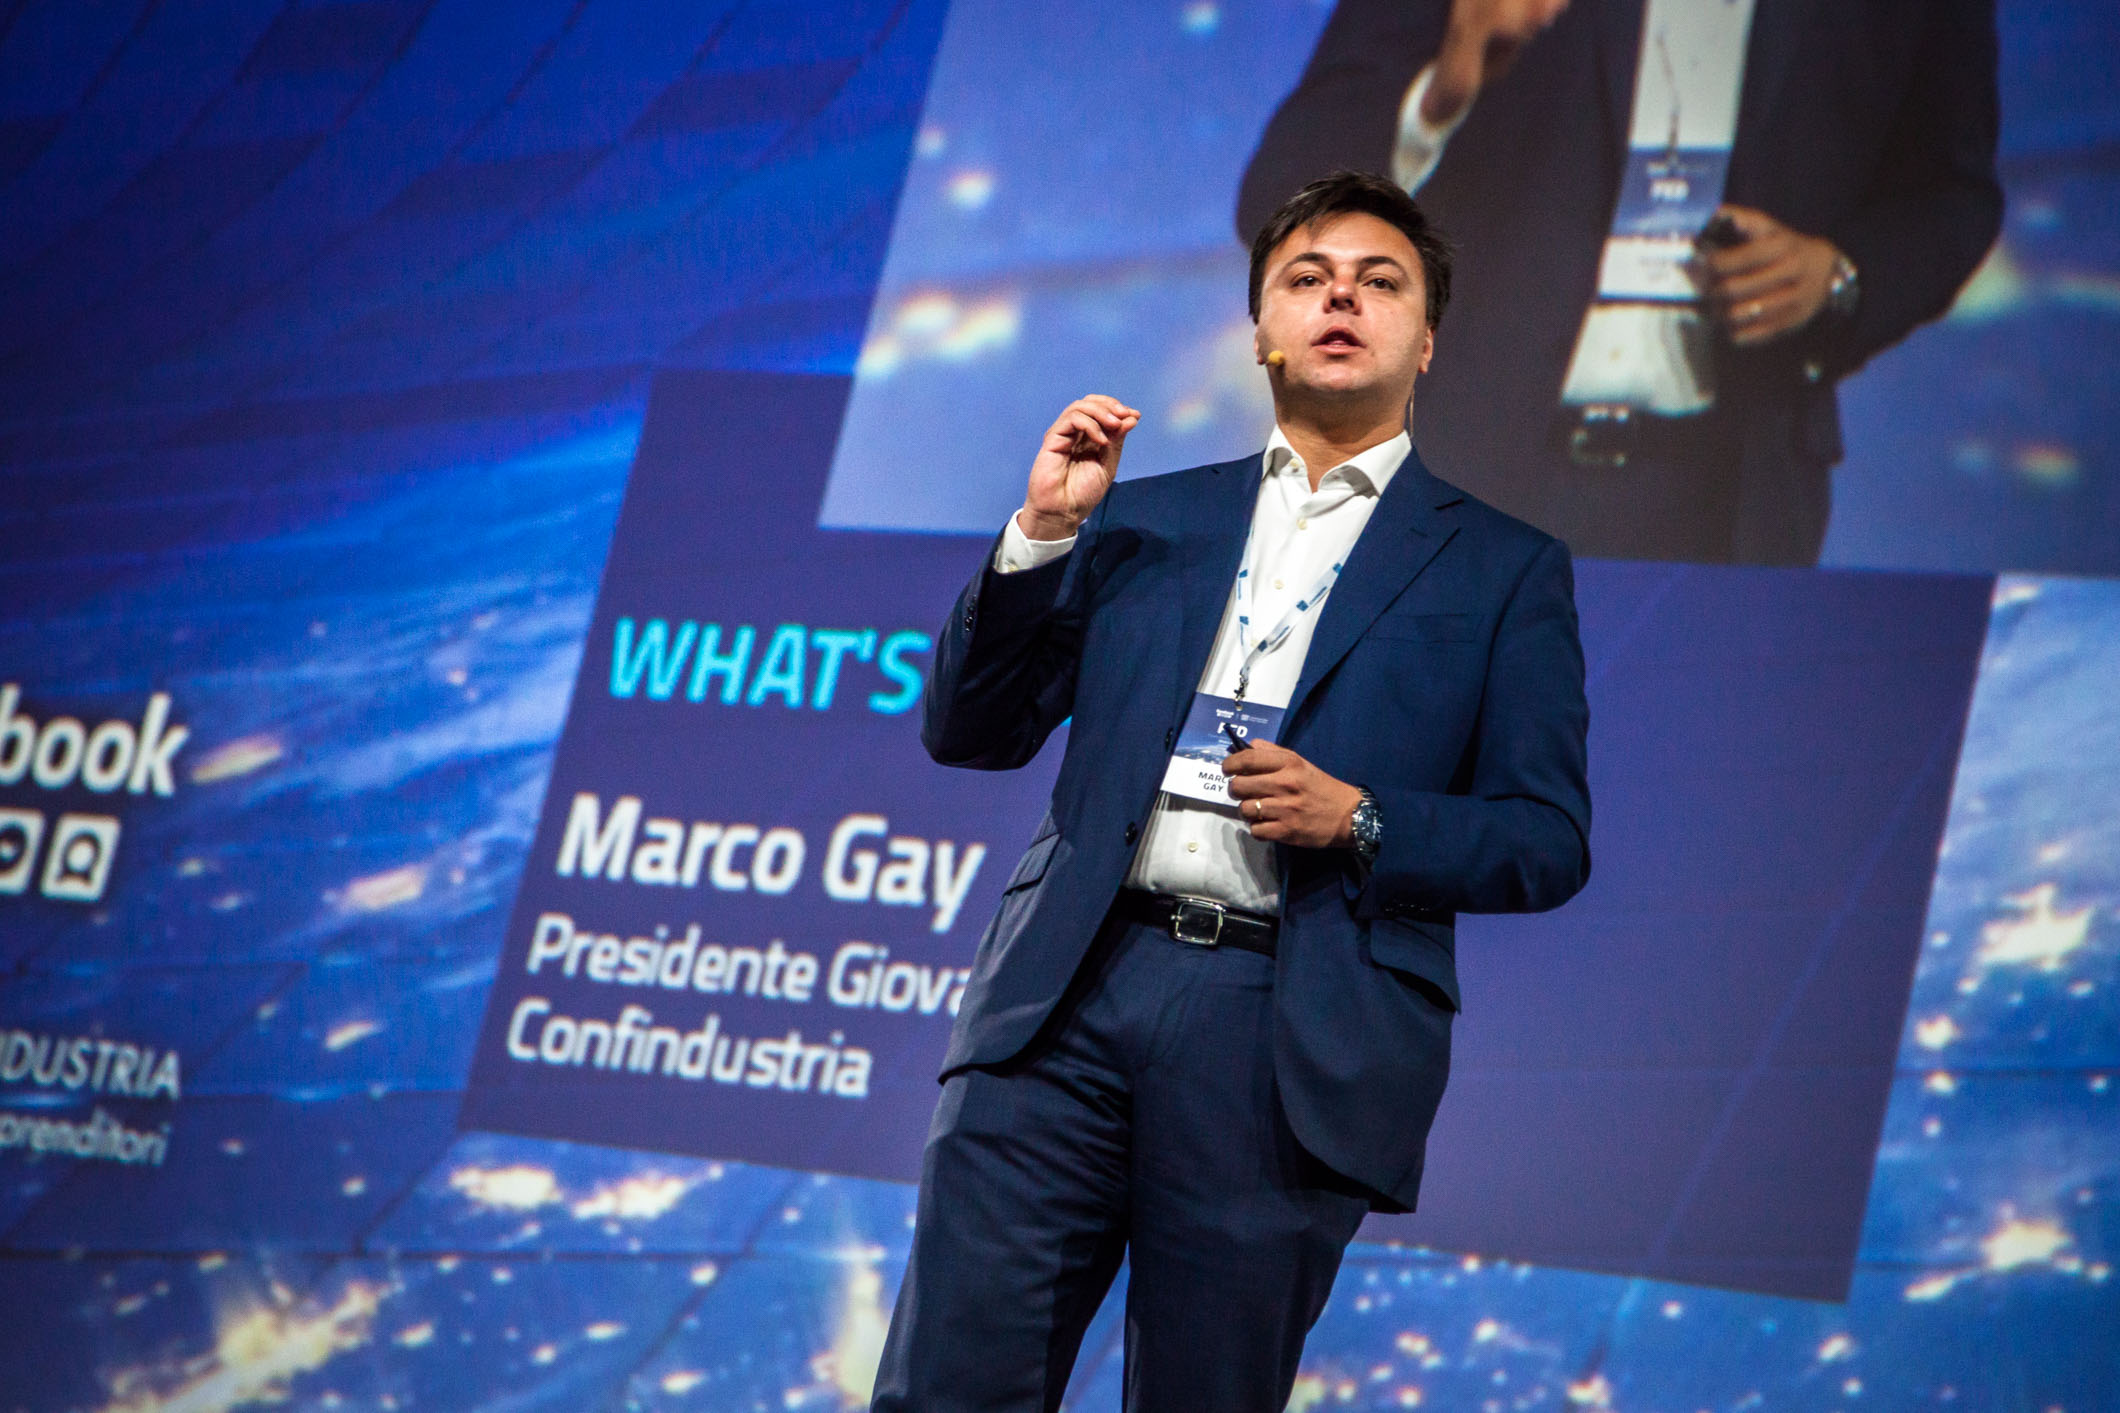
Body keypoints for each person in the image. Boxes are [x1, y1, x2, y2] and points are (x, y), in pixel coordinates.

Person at [870, 172, 1591, 1413]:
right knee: (948, 1388)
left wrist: (1359, 818)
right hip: (1066, 998)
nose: (1339, 300)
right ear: (1260, 329)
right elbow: (969, 731)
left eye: (1377, 282)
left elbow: (1545, 839)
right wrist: (1041, 534)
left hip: (1283, 1029)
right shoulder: (1140, 519)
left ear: (1426, 340)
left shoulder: (1501, 568)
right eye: (1306, 279)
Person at [1238, 0, 2003, 565]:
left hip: (1732, 490)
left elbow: (1951, 196)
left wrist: (1837, 275)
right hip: (1459, 474)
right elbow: (1279, 199)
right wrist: (1437, 102)